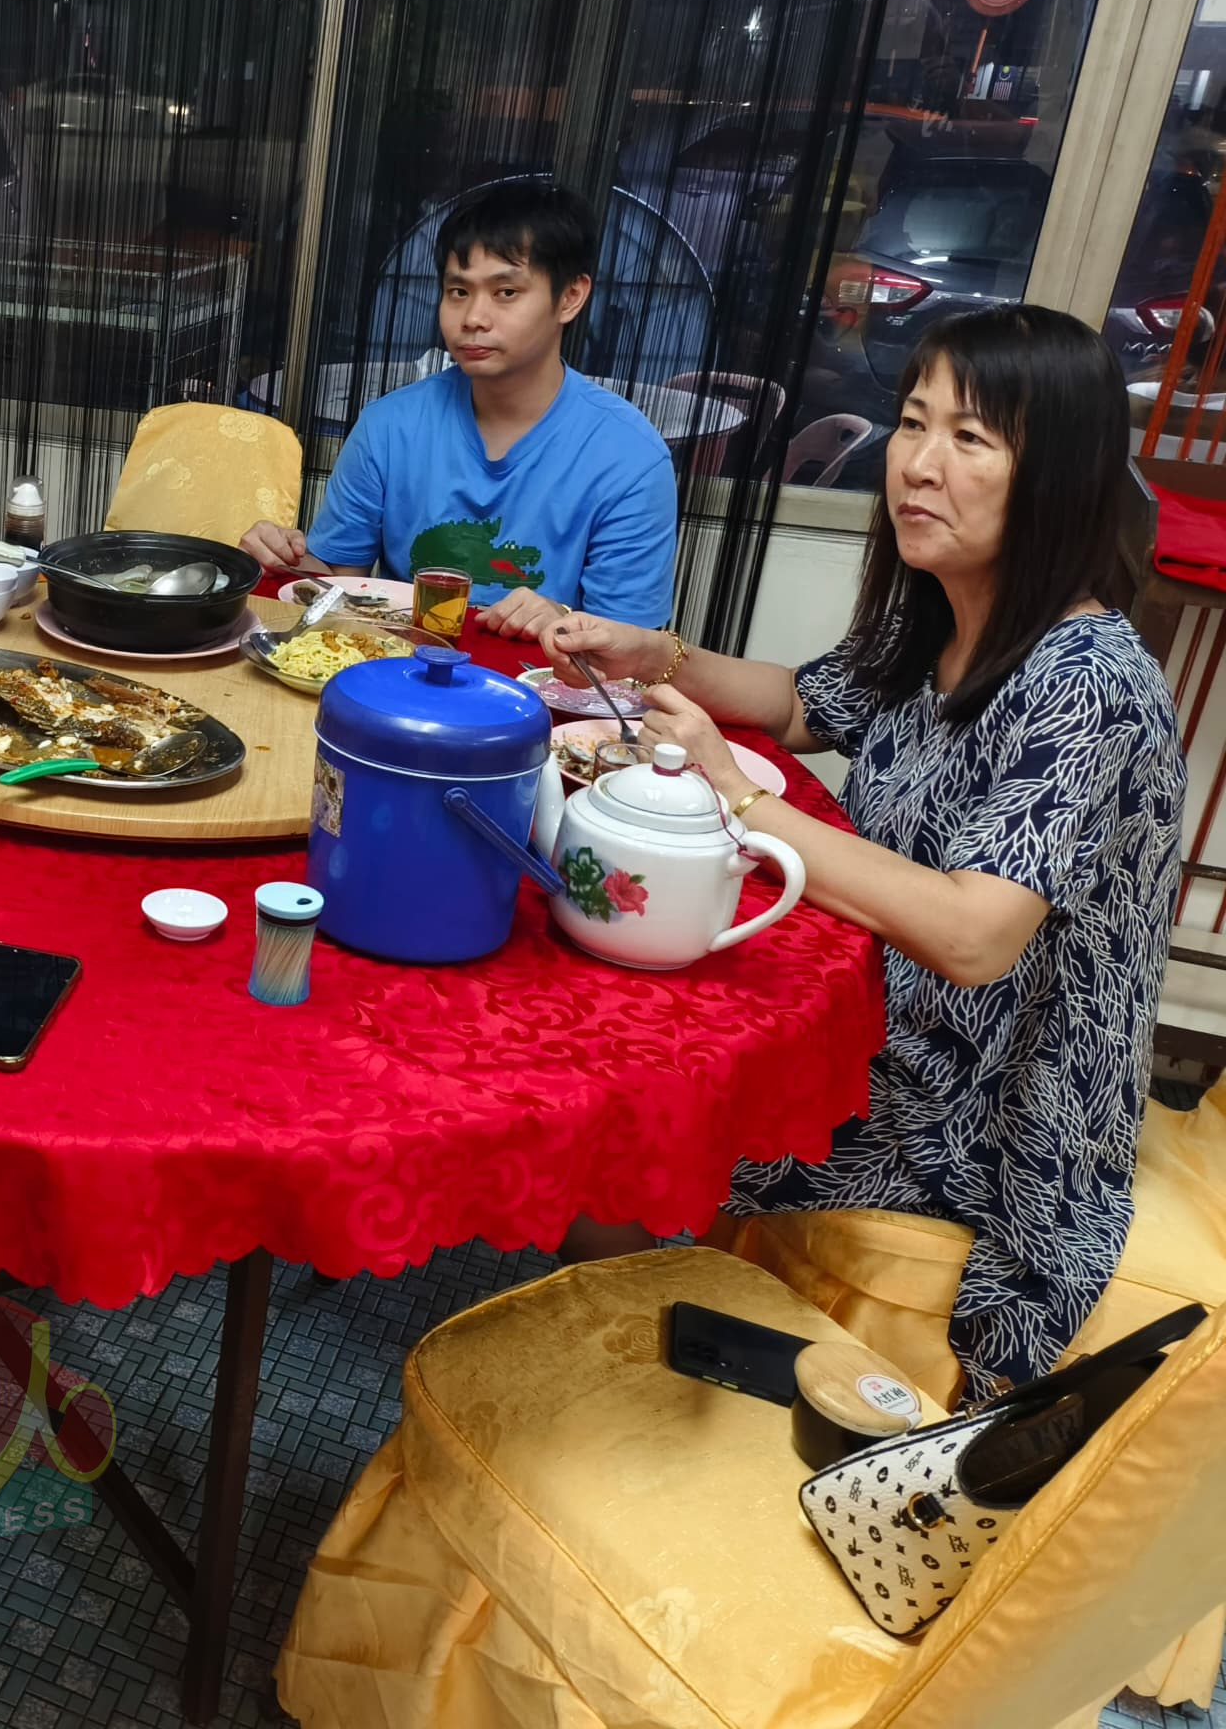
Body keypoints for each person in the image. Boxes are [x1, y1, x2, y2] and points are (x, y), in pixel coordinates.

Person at [544, 303, 1184, 1402]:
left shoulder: (1089, 682)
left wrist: (737, 794)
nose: (918, 467)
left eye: (971, 440)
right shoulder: (942, 610)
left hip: (984, 1109)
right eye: (910, 423)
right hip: (881, 1016)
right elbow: (800, 703)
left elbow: (974, 936)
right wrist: (657, 653)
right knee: (621, 1037)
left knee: (628, 1153)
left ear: (1060, 477)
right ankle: (635, 1361)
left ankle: (637, 1404)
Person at [241, 177, 677, 634]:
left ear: (570, 297)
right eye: (458, 292)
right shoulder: (390, 426)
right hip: (398, 680)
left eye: (506, 293)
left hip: (542, 694)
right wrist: (281, 560)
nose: (473, 318)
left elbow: (634, 656)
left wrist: (563, 617)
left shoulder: (629, 457)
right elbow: (335, 587)